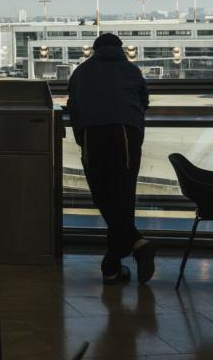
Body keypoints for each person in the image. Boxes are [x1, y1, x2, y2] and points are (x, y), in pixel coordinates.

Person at [68, 33, 155, 284]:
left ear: (95, 50)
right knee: (123, 194)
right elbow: (144, 101)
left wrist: (81, 138)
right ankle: (129, 250)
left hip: (92, 136)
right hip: (125, 135)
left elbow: (74, 105)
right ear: (119, 49)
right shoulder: (131, 70)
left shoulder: (81, 72)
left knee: (102, 194)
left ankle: (115, 262)